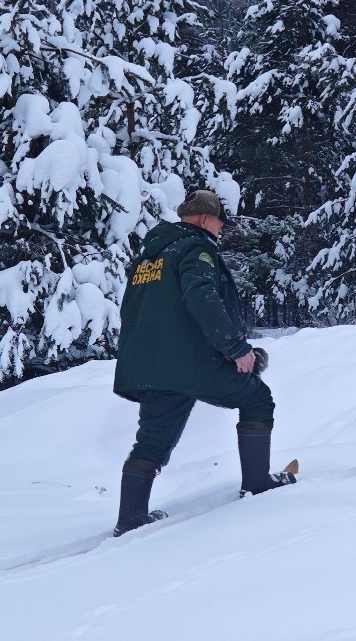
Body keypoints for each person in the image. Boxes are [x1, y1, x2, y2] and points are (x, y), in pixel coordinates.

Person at [112, 190, 295, 537]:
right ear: (203, 219)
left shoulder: (147, 260)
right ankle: (257, 483)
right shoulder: (196, 249)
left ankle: (131, 518)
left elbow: (133, 311)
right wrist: (236, 348)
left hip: (148, 366)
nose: (221, 229)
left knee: (151, 440)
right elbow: (202, 297)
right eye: (219, 222)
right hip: (189, 361)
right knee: (257, 398)